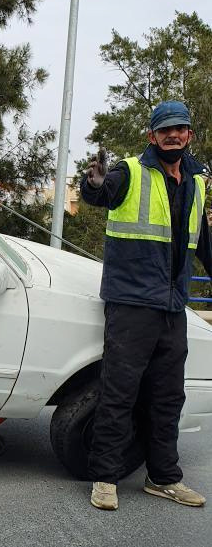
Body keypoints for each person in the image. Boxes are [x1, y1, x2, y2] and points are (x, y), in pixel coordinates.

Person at [80, 100, 212, 511]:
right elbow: (102, 193)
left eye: (180, 129)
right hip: (132, 303)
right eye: (165, 130)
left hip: (173, 306)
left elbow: (202, 242)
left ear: (189, 135)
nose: (173, 135)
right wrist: (95, 185)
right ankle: (105, 478)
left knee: (168, 396)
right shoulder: (130, 171)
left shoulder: (197, 181)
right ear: (151, 136)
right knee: (119, 392)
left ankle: (164, 477)